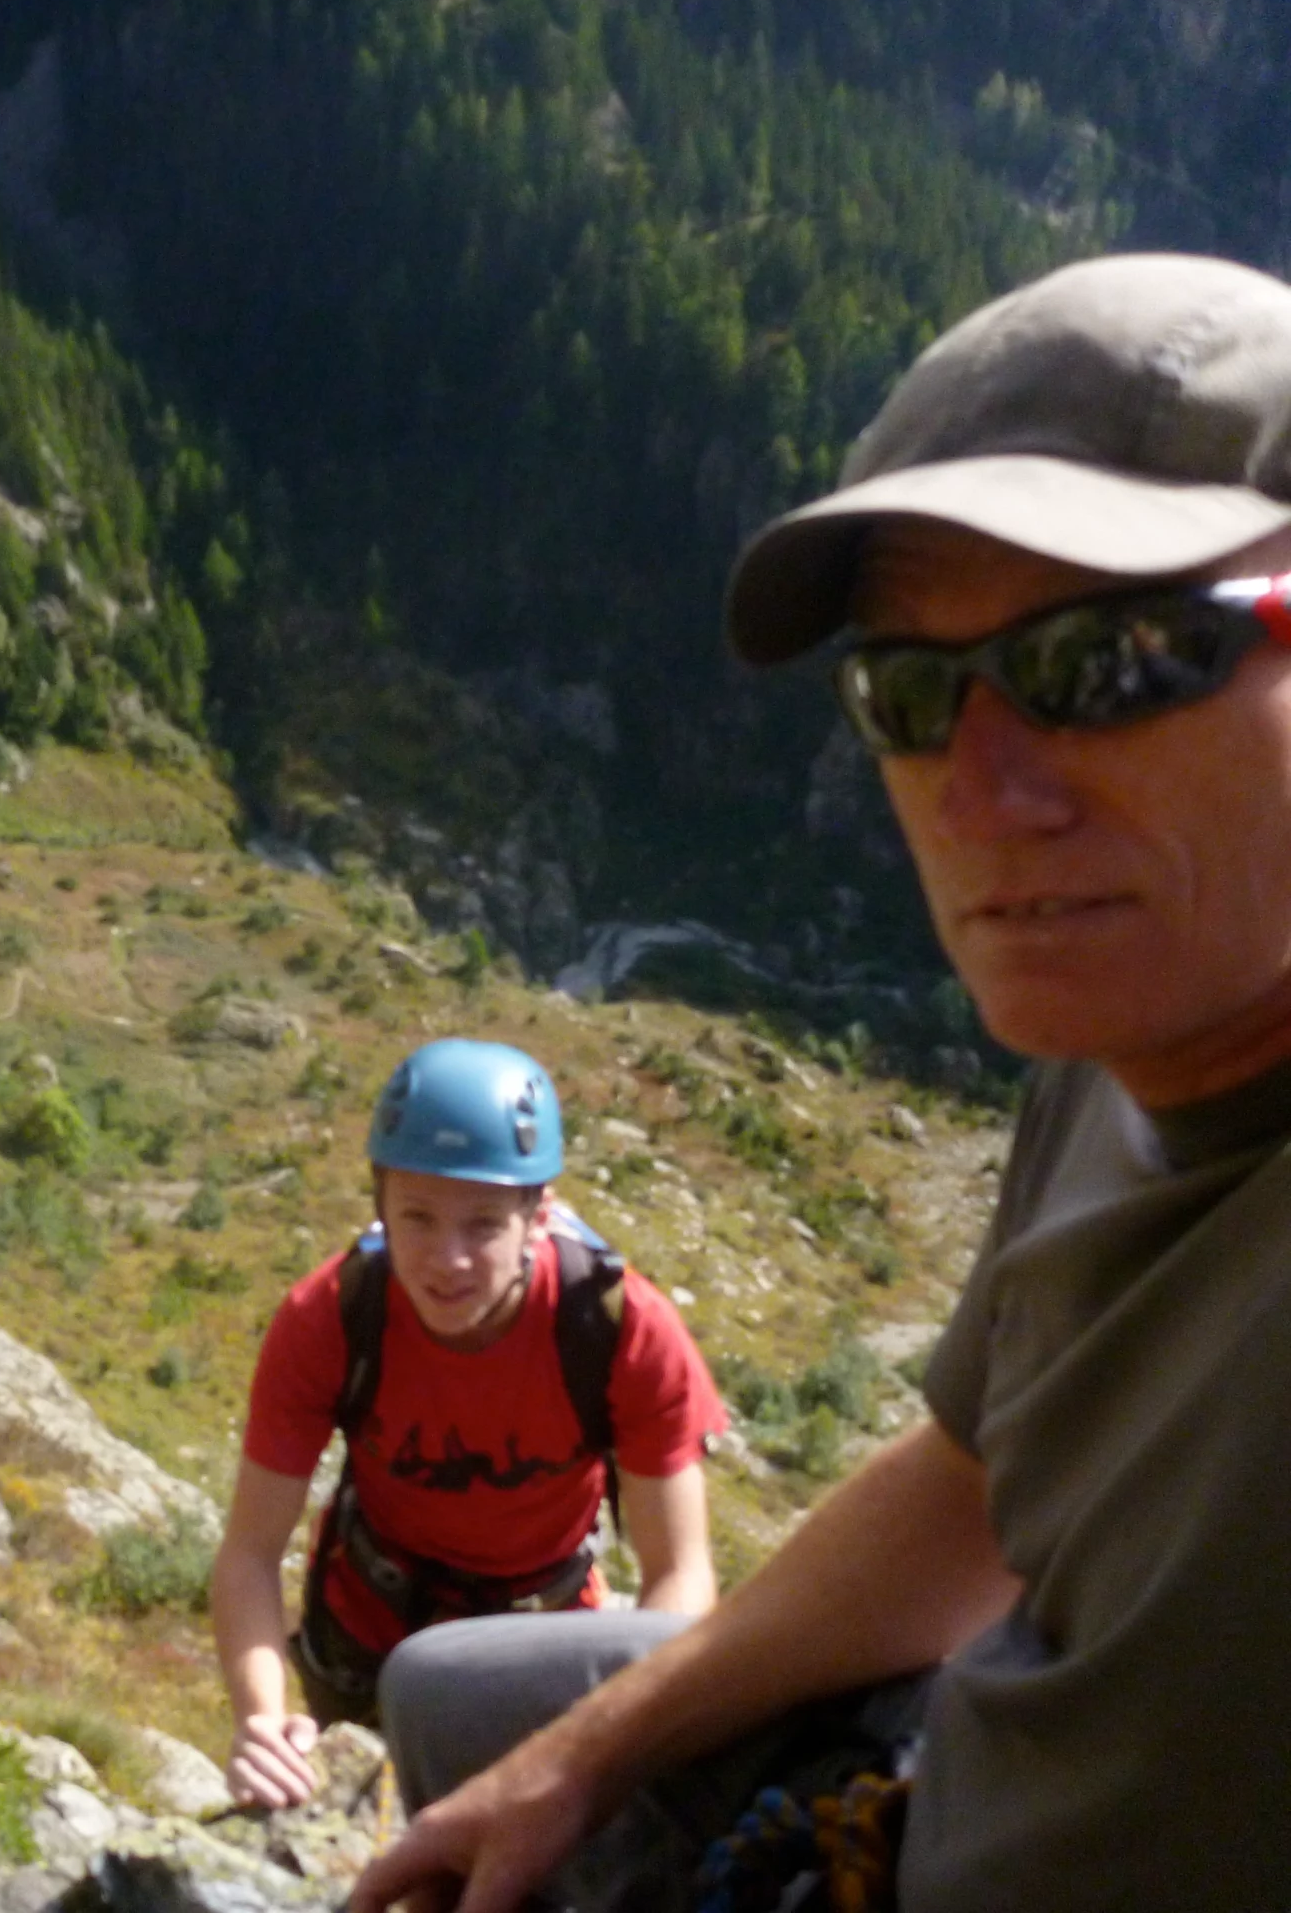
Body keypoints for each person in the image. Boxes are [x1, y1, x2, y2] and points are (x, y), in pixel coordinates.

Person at [351, 251, 1291, 1913]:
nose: (983, 793)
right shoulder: (1118, 1046)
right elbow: (976, 1475)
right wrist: (583, 1757)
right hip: (927, 1793)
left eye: (1112, 659)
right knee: (455, 1705)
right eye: (910, 695)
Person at [213, 1038, 726, 1809]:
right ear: (381, 1207)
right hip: (366, 1637)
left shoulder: (619, 1330)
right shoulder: (333, 1317)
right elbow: (250, 1553)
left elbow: (680, 1573)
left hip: (540, 1641)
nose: (446, 1260)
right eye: (417, 1218)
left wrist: (611, 1745)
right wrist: (261, 1720)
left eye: (483, 1225)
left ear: (538, 1217)